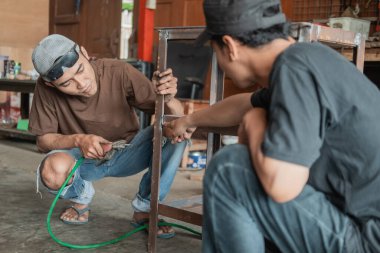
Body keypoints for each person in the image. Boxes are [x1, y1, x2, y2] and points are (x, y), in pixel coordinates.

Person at [164, 0, 380, 252]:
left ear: (230, 46)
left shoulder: (295, 69)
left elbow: (282, 186)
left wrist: (254, 123)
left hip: (366, 238)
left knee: (229, 168)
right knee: (256, 177)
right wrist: (188, 121)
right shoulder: (307, 60)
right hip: (357, 221)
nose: (219, 63)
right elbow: (243, 104)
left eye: (215, 51)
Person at [29, 34, 187, 238]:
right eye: (66, 83)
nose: (81, 83)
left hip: (129, 152)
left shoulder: (118, 71)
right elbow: (43, 141)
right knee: (52, 169)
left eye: (80, 69)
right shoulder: (45, 88)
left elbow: (176, 118)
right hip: (84, 160)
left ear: (84, 53)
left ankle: (145, 210)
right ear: (51, 84)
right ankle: (81, 198)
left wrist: (171, 98)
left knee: (176, 135)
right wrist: (79, 140)